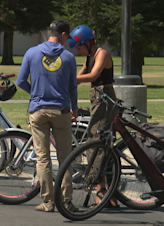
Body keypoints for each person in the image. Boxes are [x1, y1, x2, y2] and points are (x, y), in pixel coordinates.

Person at [16, 19, 78, 212]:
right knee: (65, 157)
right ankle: (66, 201)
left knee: (43, 158)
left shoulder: (32, 53)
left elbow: (20, 81)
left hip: (38, 109)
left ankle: (48, 201)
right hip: (60, 110)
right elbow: (72, 87)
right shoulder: (68, 57)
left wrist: (34, 92)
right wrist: (74, 107)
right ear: (63, 35)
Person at [68, 25, 119, 208]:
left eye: (79, 47)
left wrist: (72, 79)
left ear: (88, 42)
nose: (78, 51)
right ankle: (103, 189)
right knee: (96, 142)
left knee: (95, 142)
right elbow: (80, 75)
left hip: (105, 100)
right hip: (97, 99)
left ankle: (100, 190)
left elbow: (93, 75)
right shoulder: (89, 56)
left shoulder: (102, 54)